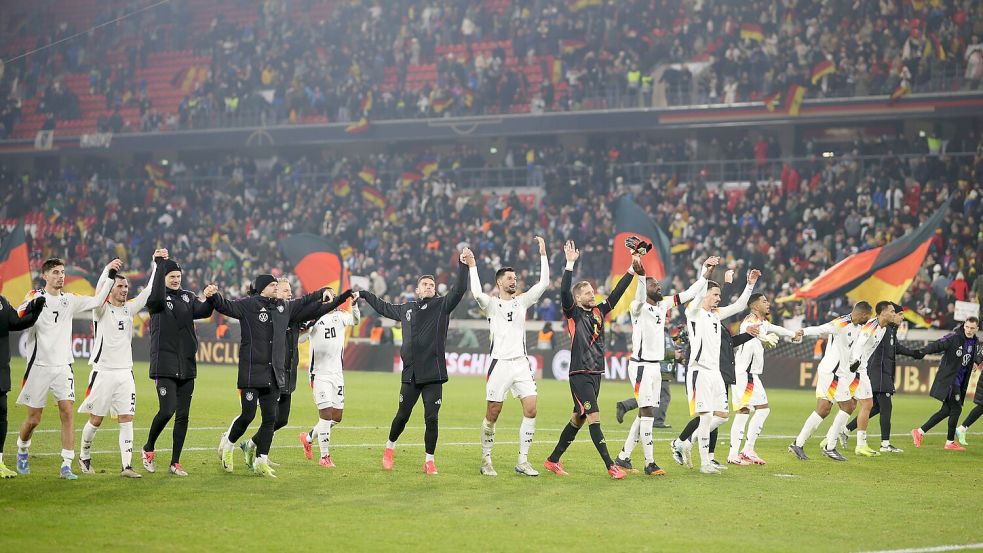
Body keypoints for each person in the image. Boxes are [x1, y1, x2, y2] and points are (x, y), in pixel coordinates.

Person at [208, 274, 350, 477]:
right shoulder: (255, 307)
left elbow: (310, 306)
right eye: (278, 287)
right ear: (265, 288)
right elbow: (227, 307)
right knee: (249, 414)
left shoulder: (284, 310)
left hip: (279, 374)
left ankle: (258, 456)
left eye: (284, 289)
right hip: (254, 371)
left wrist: (334, 296)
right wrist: (214, 296)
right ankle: (228, 444)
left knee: (275, 419)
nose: (285, 292)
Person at [358, 250, 469, 475]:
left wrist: (462, 265)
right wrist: (364, 294)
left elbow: (459, 289)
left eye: (432, 284)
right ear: (417, 290)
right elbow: (383, 307)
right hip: (411, 373)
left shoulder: (442, 306)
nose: (429, 287)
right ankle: (389, 448)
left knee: (432, 417)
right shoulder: (407, 308)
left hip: (434, 373)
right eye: (425, 284)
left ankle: (429, 460)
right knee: (402, 416)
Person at [613, 256, 717, 476]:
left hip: (656, 367)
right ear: (646, 289)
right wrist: (641, 277)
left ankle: (623, 457)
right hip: (641, 366)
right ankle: (650, 463)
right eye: (654, 285)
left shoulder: (663, 304)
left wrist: (705, 273)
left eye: (658, 284)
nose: (658, 286)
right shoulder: (637, 306)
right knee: (648, 413)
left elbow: (689, 293)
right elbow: (640, 293)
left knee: (643, 414)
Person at [542, 240, 636, 480]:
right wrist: (570, 264)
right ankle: (610, 465)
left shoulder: (599, 311)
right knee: (594, 416)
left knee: (579, 418)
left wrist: (632, 269)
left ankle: (552, 460)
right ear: (577, 298)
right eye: (587, 293)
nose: (592, 295)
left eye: (592, 292)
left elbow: (617, 293)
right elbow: (564, 291)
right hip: (579, 373)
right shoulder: (573, 313)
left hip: (596, 373)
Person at [16, 257, 116, 480]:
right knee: (33, 419)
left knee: (68, 412)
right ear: (45, 276)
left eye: (62, 272)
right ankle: (22, 449)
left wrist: (109, 273)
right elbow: (19, 314)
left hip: (63, 366)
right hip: (38, 366)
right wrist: (30, 304)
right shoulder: (35, 297)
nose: (61, 276)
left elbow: (99, 300)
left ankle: (66, 464)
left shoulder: (69, 300)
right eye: (55, 272)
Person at [466, 236, 549, 477]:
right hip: (499, 364)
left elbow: (543, 283)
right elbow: (476, 292)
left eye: (515, 278)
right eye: (510, 278)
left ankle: (522, 461)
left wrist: (543, 254)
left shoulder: (522, 302)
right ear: (500, 283)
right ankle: (486, 459)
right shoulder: (491, 304)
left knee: (531, 408)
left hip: (521, 363)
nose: (514, 281)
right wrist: (473, 266)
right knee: (493, 412)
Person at [78, 251, 160, 478]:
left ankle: (127, 466)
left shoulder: (129, 308)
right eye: (120, 286)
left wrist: (156, 265)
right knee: (96, 419)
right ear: (111, 289)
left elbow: (148, 292)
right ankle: (84, 456)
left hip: (125, 373)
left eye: (126, 287)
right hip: (102, 372)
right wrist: (107, 272)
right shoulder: (100, 310)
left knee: (127, 418)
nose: (124, 290)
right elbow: (98, 294)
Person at [142, 252, 214, 477]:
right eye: (171, 276)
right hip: (164, 363)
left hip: (187, 365)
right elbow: (153, 296)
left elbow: (202, 311)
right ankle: (148, 448)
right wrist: (159, 265)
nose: (175, 279)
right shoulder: (157, 299)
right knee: (167, 410)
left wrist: (211, 298)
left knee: (183, 415)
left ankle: (175, 462)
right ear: (163, 277)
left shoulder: (187, 297)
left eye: (178, 276)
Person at [682, 268, 758, 474]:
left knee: (722, 416)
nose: (718, 298)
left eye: (719, 295)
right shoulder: (694, 312)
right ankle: (705, 462)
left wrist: (750, 284)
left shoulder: (716, 315)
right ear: (703, 295)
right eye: (715, 294)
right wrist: (705, 273)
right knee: (706, 417)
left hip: (715, 372)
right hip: (700, 371)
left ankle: (686, 442)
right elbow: (696, 294)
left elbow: (740, 305)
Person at [787, 301, 874, 462]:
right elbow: (822, 328)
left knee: (823, 409)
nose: (867, 321)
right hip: (832, 372)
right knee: (848, 406)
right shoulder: (842, 322)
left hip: (835, 372)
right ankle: (830, 447)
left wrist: (855, 360)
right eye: (866, 317)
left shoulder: (858, 327)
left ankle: (797, 444)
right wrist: (802, 331)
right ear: (862, 314)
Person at [727, 292, 799, 466]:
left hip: (752, 375)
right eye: (764, 301)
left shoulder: (763, 322)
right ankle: (733, 454)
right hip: (744, 374)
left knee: (763, 409)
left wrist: (792, 333)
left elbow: (773, 328)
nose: (768, 304)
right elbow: (751, 331)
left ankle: (748, 449)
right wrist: (763, 338)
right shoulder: (750, 322)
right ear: (754, 306)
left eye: (768, 300)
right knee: (743, 411)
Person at [844, 304, 923, 453]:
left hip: (883, 373)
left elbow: (895, 347)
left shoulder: (891, 330)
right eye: (899, 315)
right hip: (878, 373)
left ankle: (846, 430)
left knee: (875, 408)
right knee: (885, 407)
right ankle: (885, 444)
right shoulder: (883, 328)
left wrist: (914, 353)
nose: (901, 318)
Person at [299, 290, 359, 467]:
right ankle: (324, 457)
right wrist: (308, 325)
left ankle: (308, 438)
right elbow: (301, 339)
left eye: (334, 295)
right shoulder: (314, 318)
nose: (331, 298)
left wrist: (354, 305)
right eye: (328, 295)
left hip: (337, 374)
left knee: (336, 417)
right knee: (325, 415)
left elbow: (355, 321)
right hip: (319, 374)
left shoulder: (341, 316)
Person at [911, 317, 982, 451]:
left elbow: (977, 355)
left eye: (972, 328)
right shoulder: (954, 337)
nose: (969, 330)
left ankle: (919, 432)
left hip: (960, 382)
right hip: (950, 380)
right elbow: (938, 344)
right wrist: (922, 351)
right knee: (956, 409)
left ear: (977, 329)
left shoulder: (975, 342)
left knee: (946, 411)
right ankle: (949, 442)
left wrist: (976, 362)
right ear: (964, 325)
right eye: (967, 327)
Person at [838, 301, 897, 457]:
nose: (894, 314)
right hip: (855, 368)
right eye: (891, 311)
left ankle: (832, 438)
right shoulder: (871, 325)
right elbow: (860, 342)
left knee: (851, 404)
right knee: (867, 404)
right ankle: (860, 445)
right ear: (882, 313)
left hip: (857, 368)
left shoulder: (884, 328)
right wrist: (856, 361)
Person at [0, 293, 45, 478]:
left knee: (1, 415)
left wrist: (36, 308)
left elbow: (16, 323)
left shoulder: (2, 301)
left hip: (1, 370)